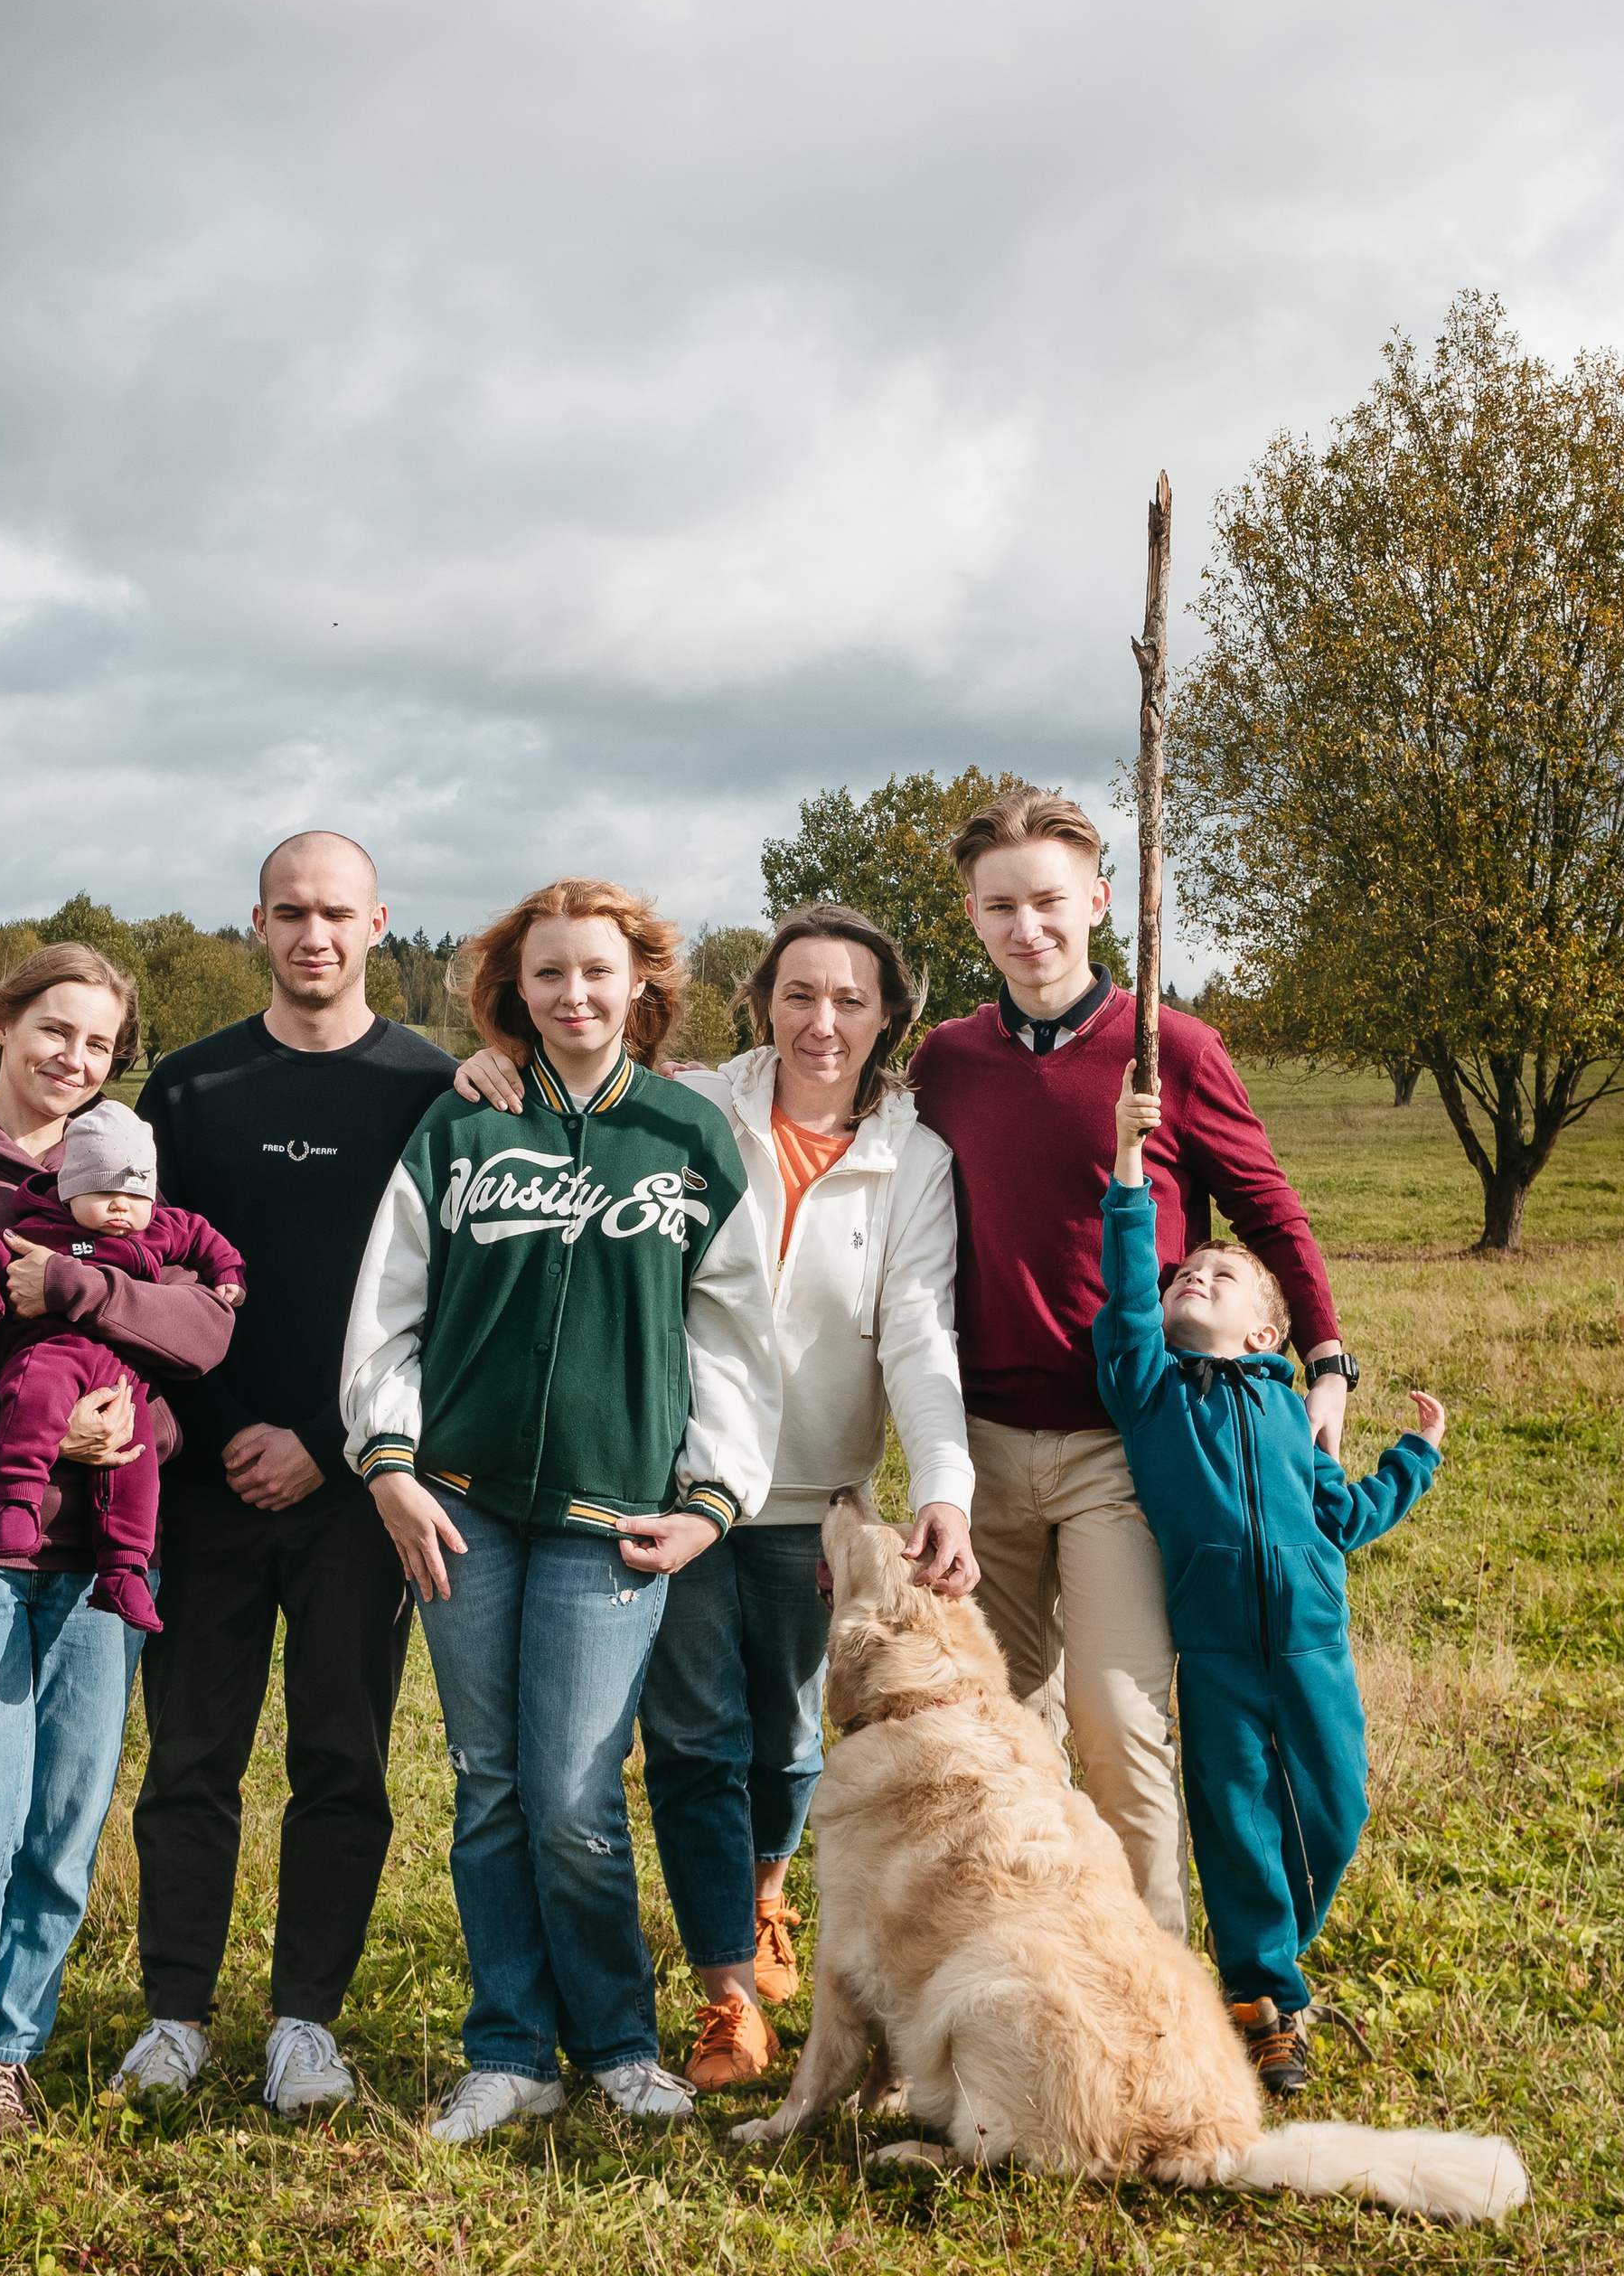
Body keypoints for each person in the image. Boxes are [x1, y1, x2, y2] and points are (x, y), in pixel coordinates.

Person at [452, 902, 975, 2089]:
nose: (822, 1021)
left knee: (790, 1736)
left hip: (816, 1492)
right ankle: (726, 1992)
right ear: (762, 1004)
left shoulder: (915, 1158)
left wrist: (941, 1481)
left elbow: (917, 1331)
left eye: (850, 999)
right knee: (693, 1735)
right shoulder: (696, 1107)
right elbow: (571, 1084)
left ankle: (768, 1886)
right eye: (799, 995)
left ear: (889, 1014)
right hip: (677, 1475)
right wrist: (496, 1062)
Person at [343, 877, 781, 2142]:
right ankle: (508, 2049)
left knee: (578, 1795)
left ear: (640, 982)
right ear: (513, 989)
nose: (574, 994)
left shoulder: (688, 1138)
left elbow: (738, 1339)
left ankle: (618, 2044)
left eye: (598, 971)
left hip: (615, 1518)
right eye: (548, 974)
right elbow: (390, 1309)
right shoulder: (460, 1129)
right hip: (462, 1511)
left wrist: (710, 1501)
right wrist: (389, 1463)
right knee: (488, 1784)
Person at [908, 786, 1353, 1937]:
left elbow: (1268, 1209)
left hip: (1129, 1444)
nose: (1028, 928)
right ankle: (1010, 1972)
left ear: (1099, 901)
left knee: (1117, 1723)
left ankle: (1151, 1983)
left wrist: (1328, 1364)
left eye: (1050, 901)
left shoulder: (1170, 1050)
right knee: (996, 1731)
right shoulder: (946, 1062)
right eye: (1000, 907)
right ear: (972, 916)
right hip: (978, 1445)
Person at [0, 944, 235, 2156]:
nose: (74, 1057)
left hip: (100, 1555)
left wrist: (140, 1413)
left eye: (100, 1044)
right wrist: (10, 1415)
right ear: (0, 1025)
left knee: (66, 1819)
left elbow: (193, 1330)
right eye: (53, 1029)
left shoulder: (127, 1177)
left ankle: (10, 2055)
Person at [115, 832, 456, 2117]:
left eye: (338, 914)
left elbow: (442, 1304)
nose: (314, 936)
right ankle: (174, 2016)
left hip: (360, 1487)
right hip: (202, 1481)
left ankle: (306, 2022)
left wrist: (326, 1439)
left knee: (341, 1756)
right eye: (290, 913)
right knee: (191, 1754)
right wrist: (225, 1431)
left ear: (380, 923)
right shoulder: (192, 1090)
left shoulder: (432, 1091)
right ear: (256, 923)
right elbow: (149, 1282)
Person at [1097, 1063, 1442, 2093]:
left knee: (1336, 1812)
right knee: (1237, 1818)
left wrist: (1412, 1457)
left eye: (1220, 1275)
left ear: (1267, 1332)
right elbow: (1125, 1289)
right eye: (1181, 1276)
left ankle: (1272, 1954)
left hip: (1312, 1648)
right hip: (1213, 1655)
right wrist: (1128, 1161)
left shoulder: (1295, 1416)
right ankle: (1263, 1996)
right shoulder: (1150, 1392)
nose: (1189, 1277)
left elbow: (1343, 1516)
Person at [0, 1098, 246, 1627]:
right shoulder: (42, 1228)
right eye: (104, 1192)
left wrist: (228, 1271)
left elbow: (206, 1238)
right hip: (51, 1351)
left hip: (126, 1371)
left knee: (137, 1464)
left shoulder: (159, 1228)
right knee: (33, 1399)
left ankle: (125, 1571)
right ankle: (18, 1502)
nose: (121, 1207)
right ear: (69, 1190)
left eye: (134, 1194)